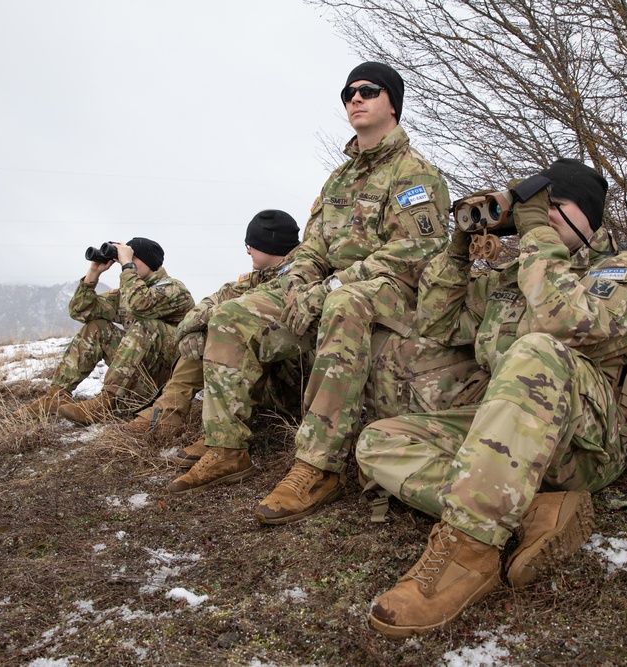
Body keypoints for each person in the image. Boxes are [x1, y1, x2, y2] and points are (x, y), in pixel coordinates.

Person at [355, 159, 627, 638]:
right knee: (378, 441)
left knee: (536, 348)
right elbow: (434, 327)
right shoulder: (516, 275)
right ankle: (527, 511)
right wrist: (458, 251)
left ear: (590, 215)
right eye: (539, 208)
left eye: (557, 206)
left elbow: (566, 324)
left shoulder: (625, 271)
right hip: (512, 443)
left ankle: (469, 550)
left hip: (589, 446)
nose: (545, 216)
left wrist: (534, 228)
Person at [167, 62, 451, 514]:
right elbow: (312, 246)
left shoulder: (416, 174)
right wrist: (299, 280)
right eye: (347, 93)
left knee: (344, 300)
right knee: (233, 314)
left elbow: (419, 250)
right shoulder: (339, 178)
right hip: (327, 286)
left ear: (392, 103)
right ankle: (227, 448)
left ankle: (319, 467)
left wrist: (335, 282)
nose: (354, 98)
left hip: (391, 289)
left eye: (367, 91)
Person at [119, 210, 302, 453]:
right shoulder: (254, 279)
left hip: (293, 387)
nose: (247, 251)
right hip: (261, 382)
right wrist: (193, 330)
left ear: (268, 245)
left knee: (239, 329)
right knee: (208, 331)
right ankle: (167, 416)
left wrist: (210, 322)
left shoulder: (301, 277)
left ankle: (224, 439)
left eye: (250, 245)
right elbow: (204, 305)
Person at [22, 237, 194, 425]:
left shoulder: (174, 290)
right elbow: (80, 310)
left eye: (131, 258)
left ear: (148, 262)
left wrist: (128, 266)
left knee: (147, 326)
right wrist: (94, 273)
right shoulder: (128, 292)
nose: (123, 262)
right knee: (97, 326)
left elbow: (140, 305)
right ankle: (56, 395)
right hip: (136, 378)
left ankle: (106, 402)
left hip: (166, 382)